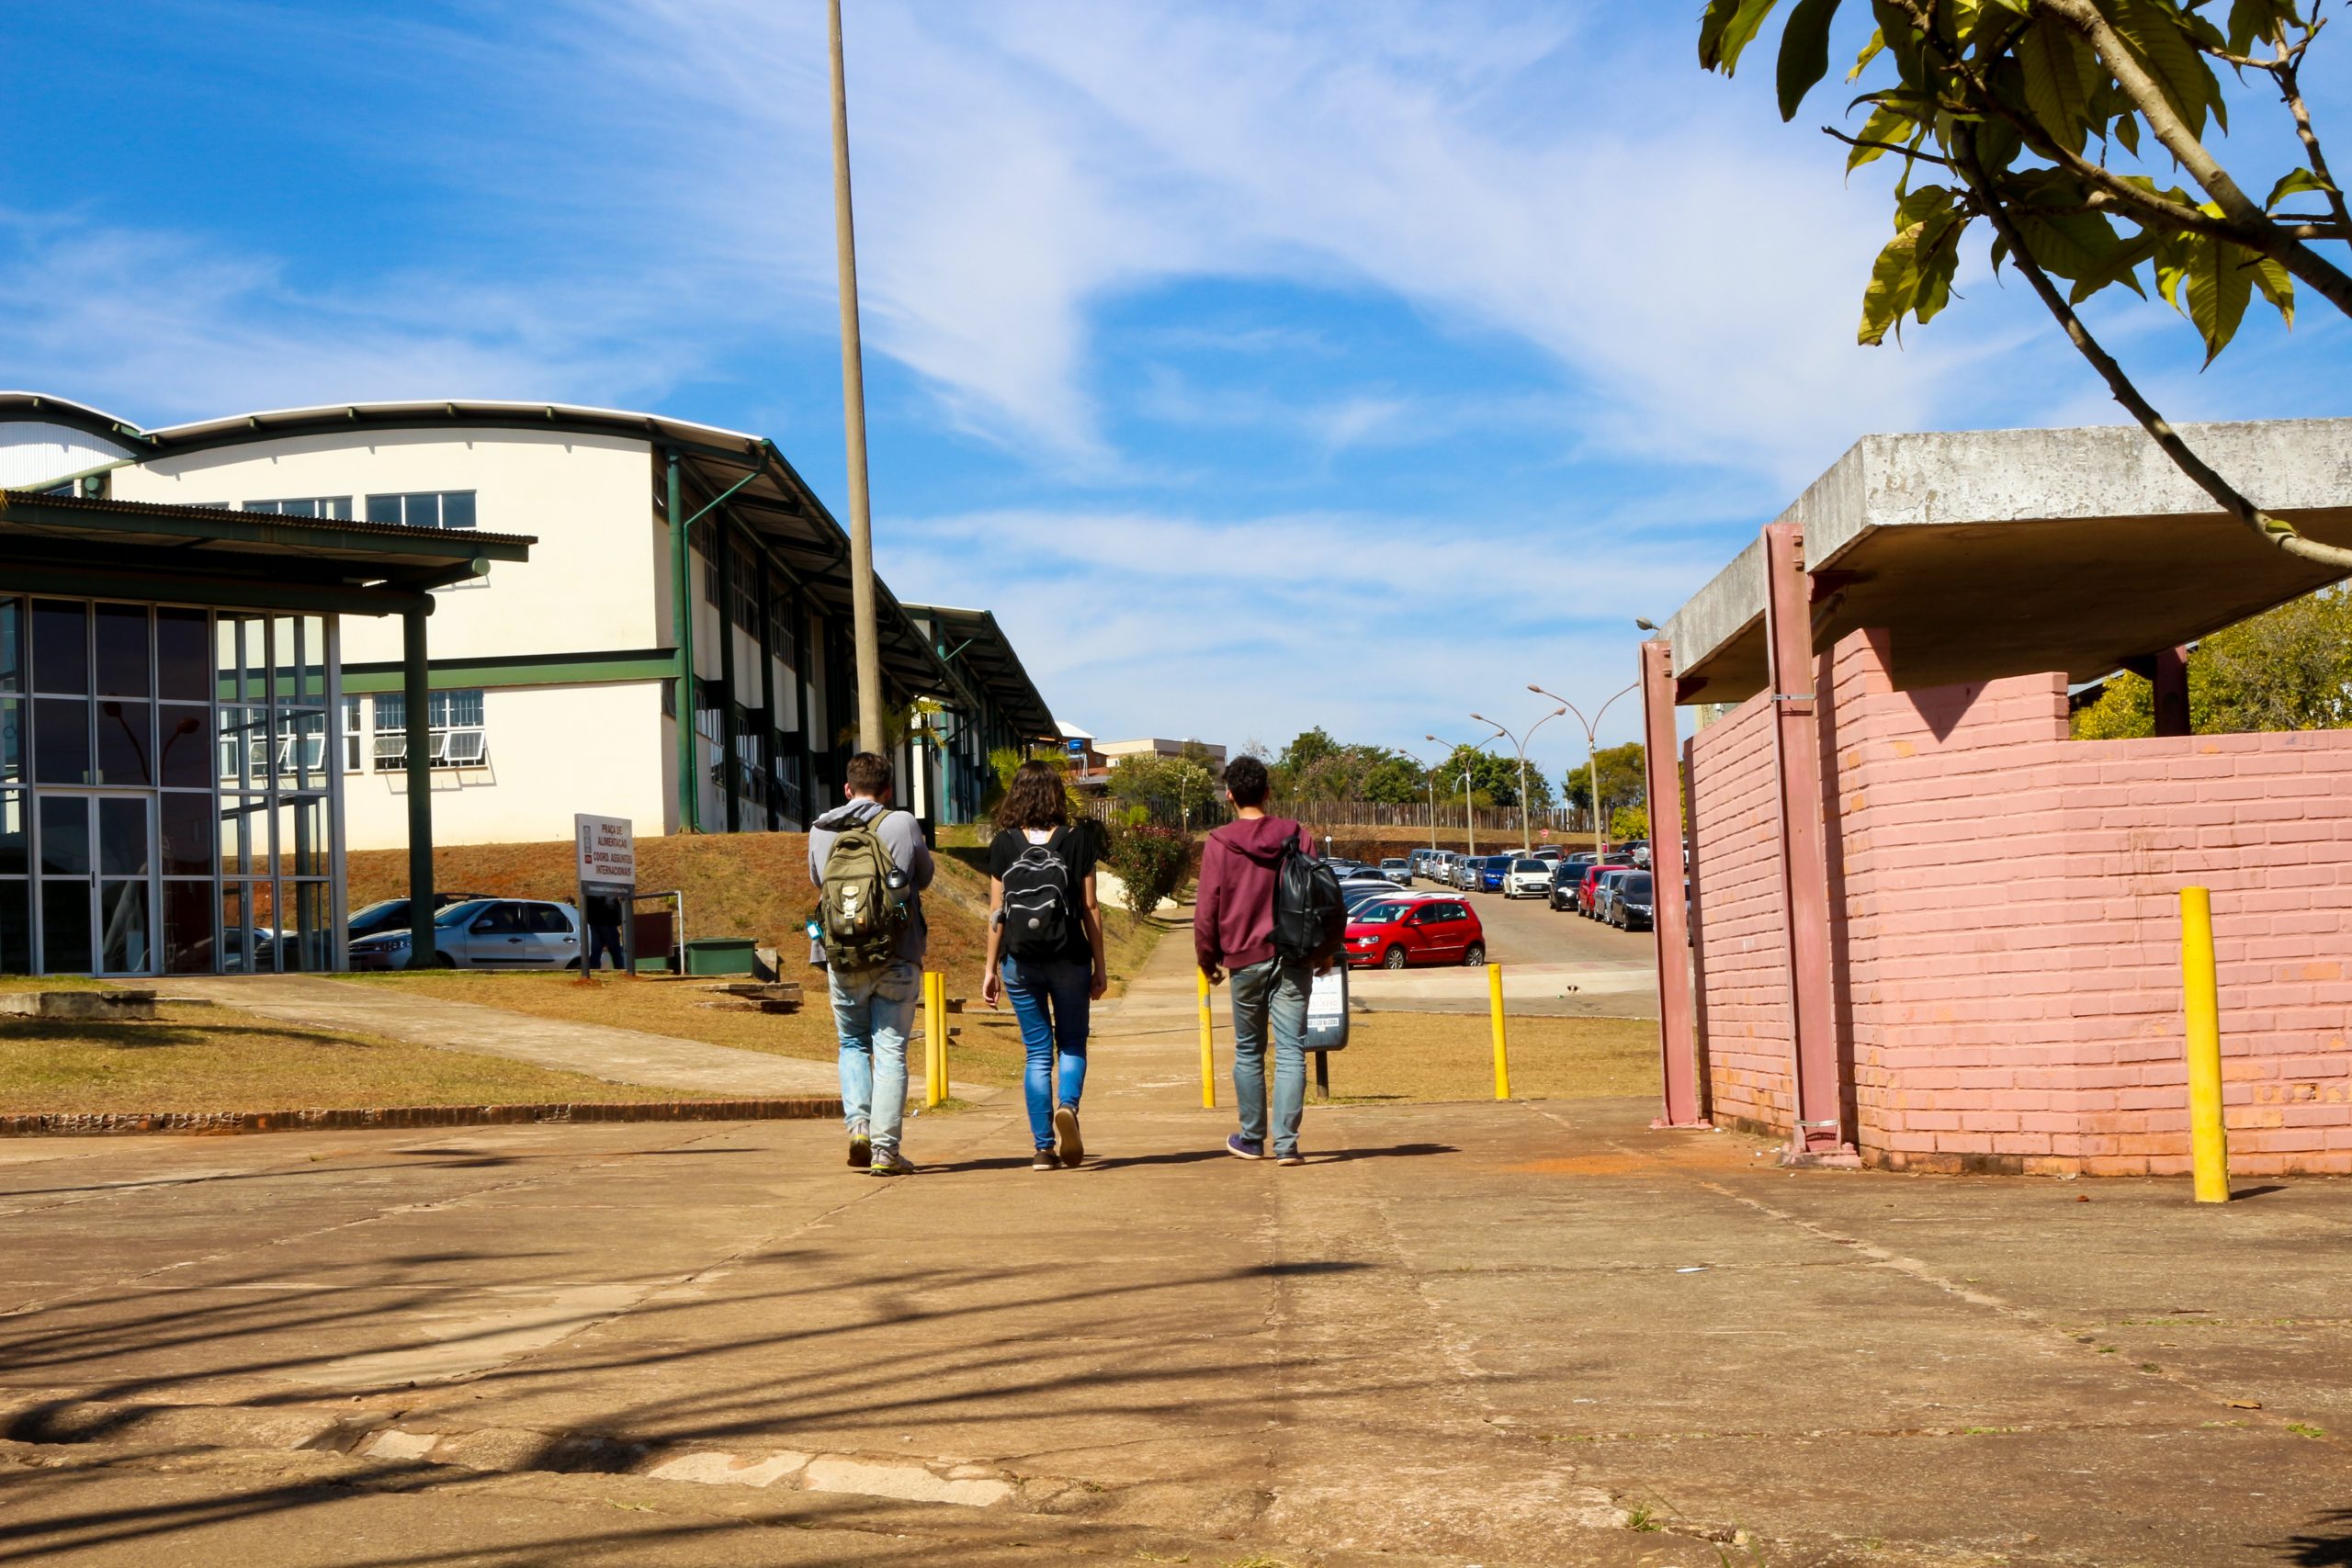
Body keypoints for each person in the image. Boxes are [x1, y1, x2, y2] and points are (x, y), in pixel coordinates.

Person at [808, 751, 934, 1177]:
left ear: (847, 789)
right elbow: (925, 875)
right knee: (891, 1049)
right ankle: (885, 1152)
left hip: (842, 956)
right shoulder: (902, 823)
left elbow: (817, 881)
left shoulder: (821, 828)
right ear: (888, 790)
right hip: (897, 953)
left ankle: (858, 1128)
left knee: (852, 1044)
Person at [979, 761, 1107, 1170]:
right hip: (1069, 958)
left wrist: (990, 969)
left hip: (1020, 960)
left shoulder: (1003, 843)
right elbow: (1089, 907)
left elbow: (996, 911)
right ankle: (1067, 1106)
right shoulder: (1077, 839)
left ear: (1016, 794)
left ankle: (1042, 1149)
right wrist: (1100, 966)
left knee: (1037, 1053)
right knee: (1071, 1043)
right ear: (1056, 795)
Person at [1193, 753, 1315, 1167]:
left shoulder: (1219, 843)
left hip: (1244, 958)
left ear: (1229, 794)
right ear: (1267, 792)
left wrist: (1207, 959)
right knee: (1291, 1050)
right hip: (1295, 956)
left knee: (1249, 1050)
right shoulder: (1297, 834)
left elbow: (1207, 908)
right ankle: (1287, 1145)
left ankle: (1252, 1138)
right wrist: (1324, 951)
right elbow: (1321, 895)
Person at [583, 891, 626, 972]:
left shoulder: (589, 889)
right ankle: (621, 971)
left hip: (594, 922)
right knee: (615, 951)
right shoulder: (607, 889)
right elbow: (611, 904)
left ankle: (593, 972)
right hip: (607, 922)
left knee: (596, 951)